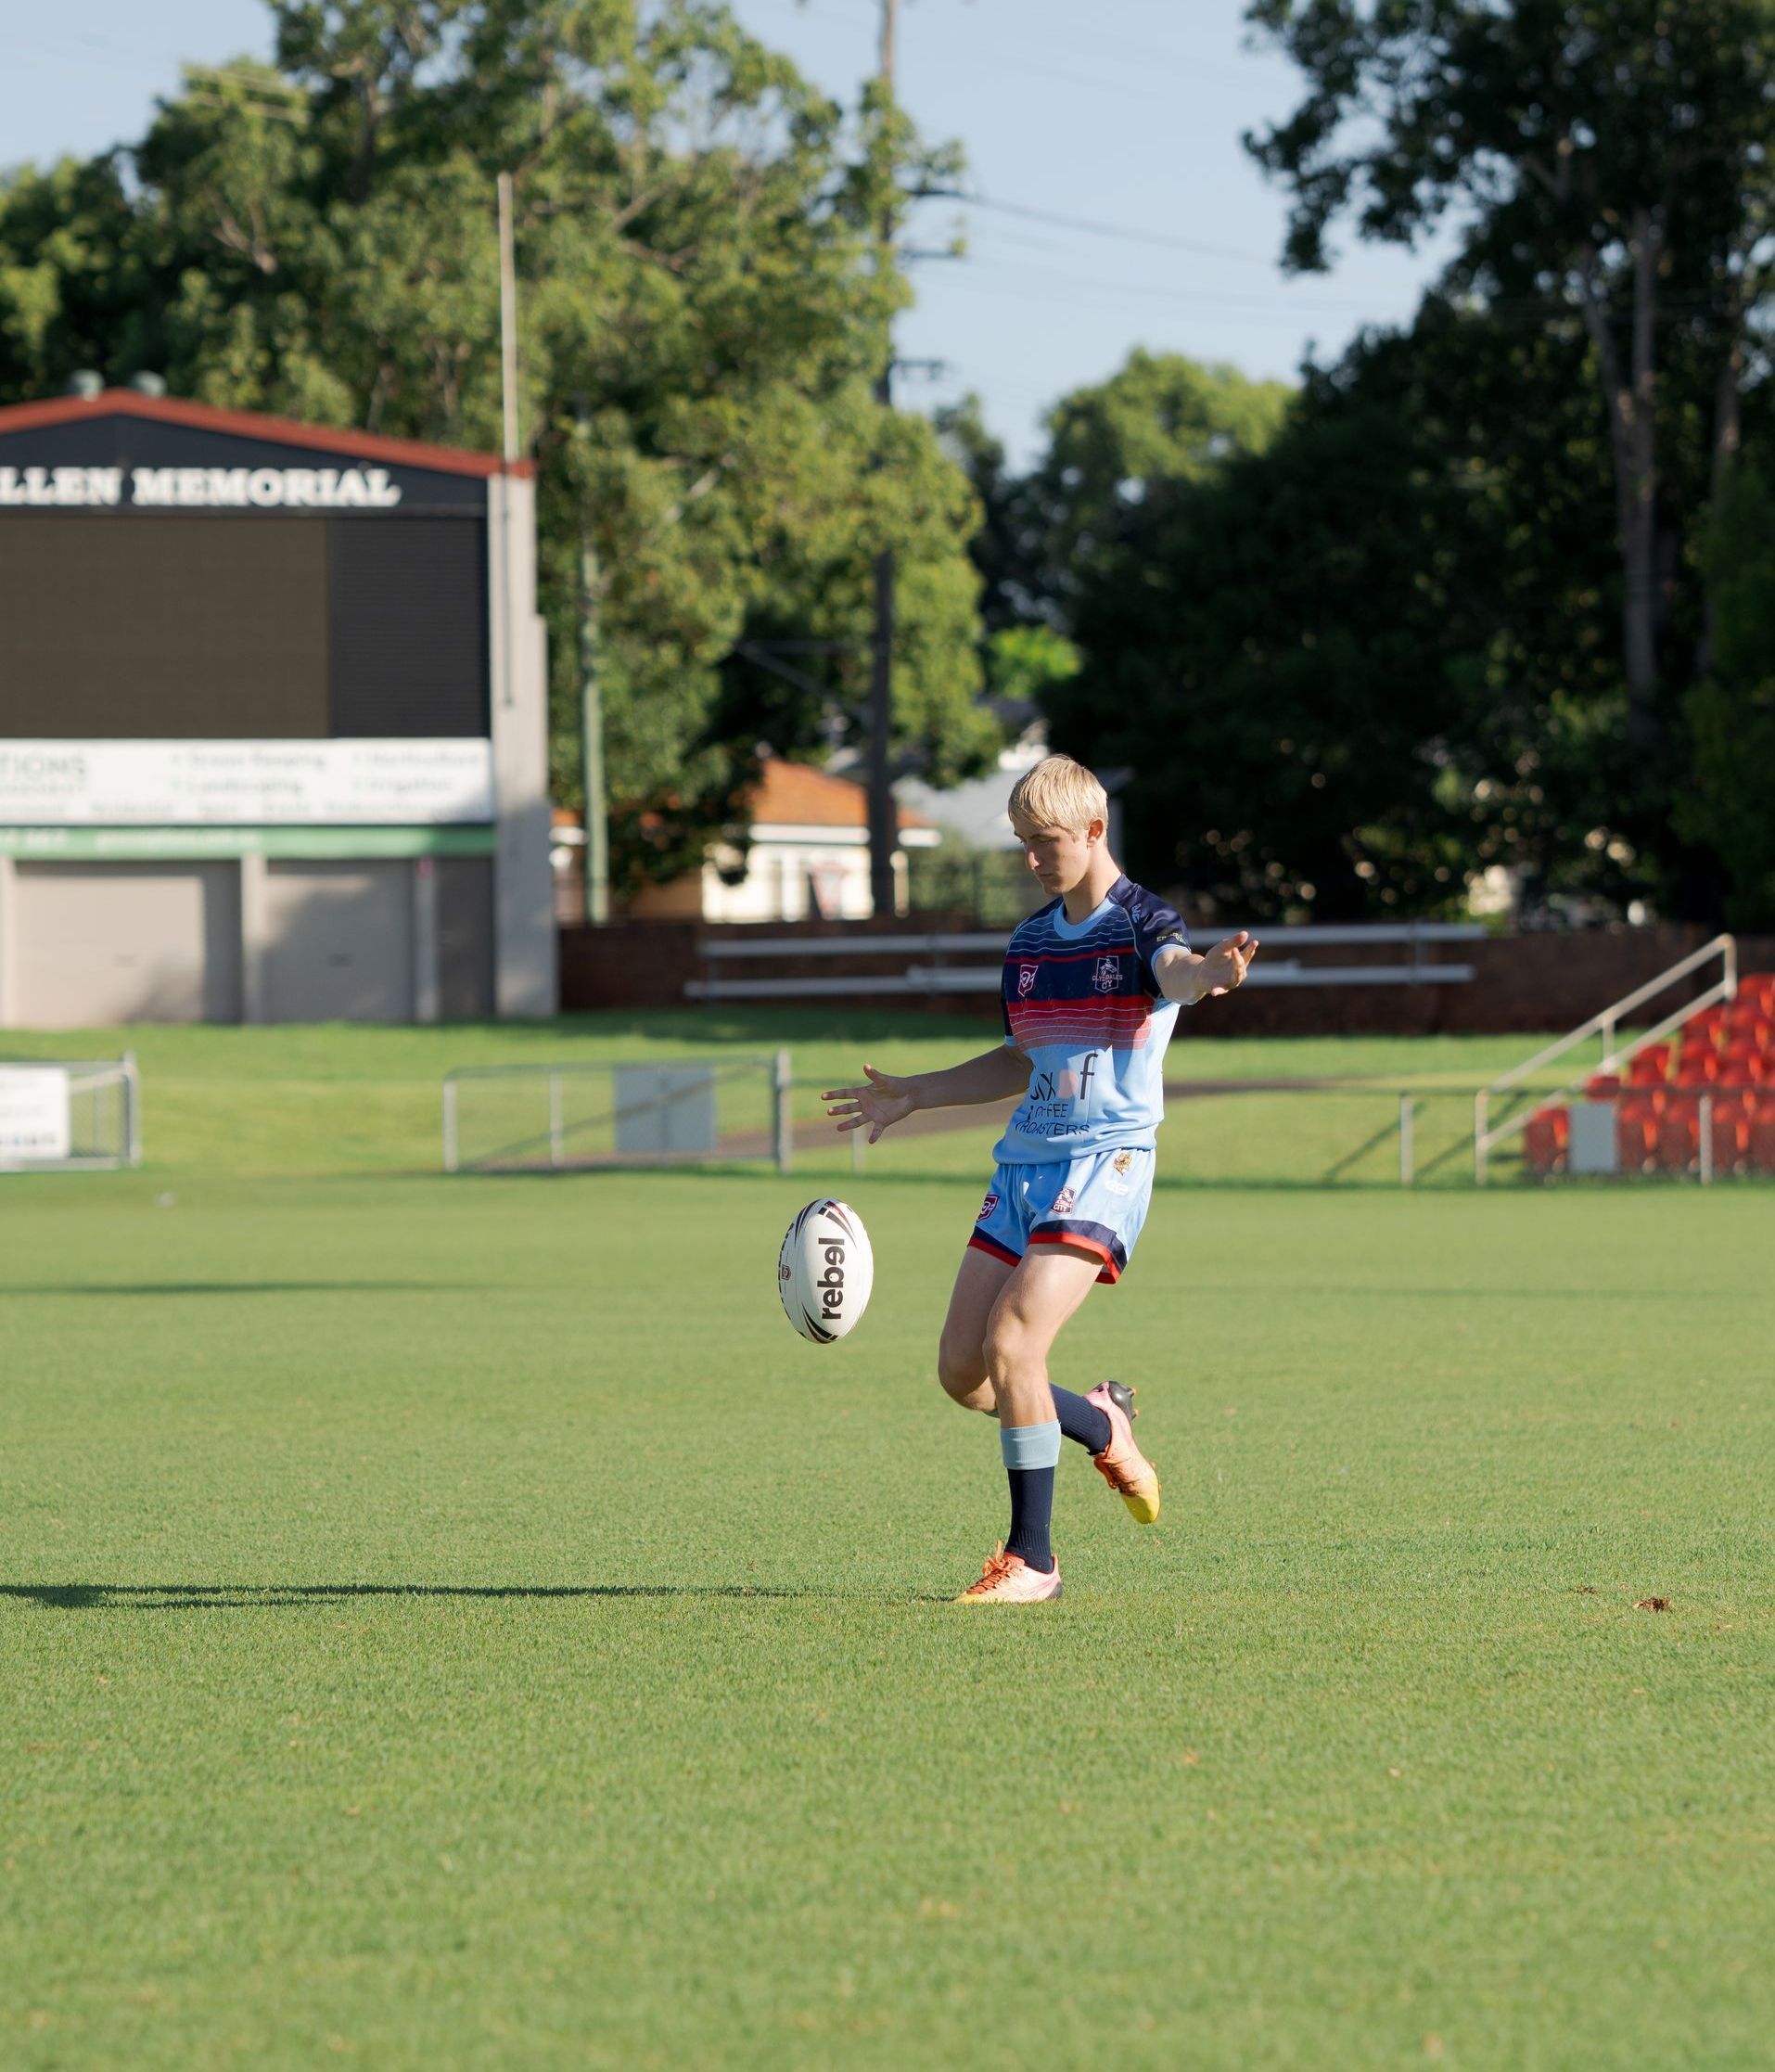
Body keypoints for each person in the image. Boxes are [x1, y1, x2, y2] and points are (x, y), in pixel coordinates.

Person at [823, 755, 1257, 1604]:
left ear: (1094, 832)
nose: (1029, 859)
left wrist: (1205, 977)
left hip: (1107, 1162)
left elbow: (1174, 970)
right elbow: (1021, 1058)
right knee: (965, 1372)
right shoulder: (1026, 946)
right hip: (1026, 1166)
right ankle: (1100, 1421)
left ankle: (1034, 1561)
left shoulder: (1141, 922)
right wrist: (918, 1094)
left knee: (1017, 1341)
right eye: (1022, 843)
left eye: (1042, 843)